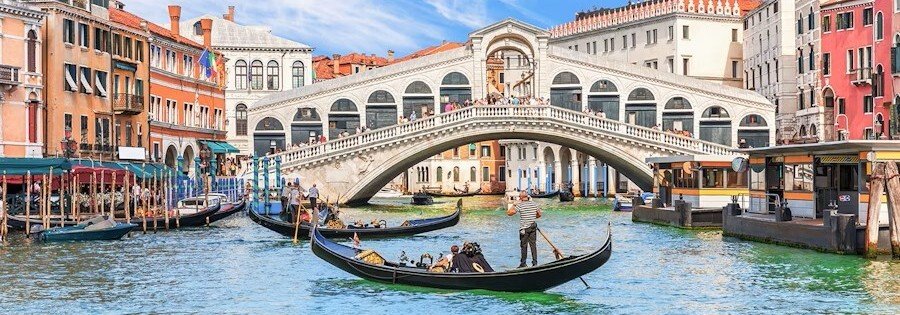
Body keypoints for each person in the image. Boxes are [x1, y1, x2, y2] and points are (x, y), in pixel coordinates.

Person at [506, 191, 542, 268]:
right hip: (533, 226)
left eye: (519, 197)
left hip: (524, 228)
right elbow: (539, 214)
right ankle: (535, 263)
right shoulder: (534, 204)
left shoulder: (520, 205)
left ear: (521, 197)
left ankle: (523, 264)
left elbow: (509, 213)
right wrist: (531, 217)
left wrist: (514, 204)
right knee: (533, 245)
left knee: (524, 246)